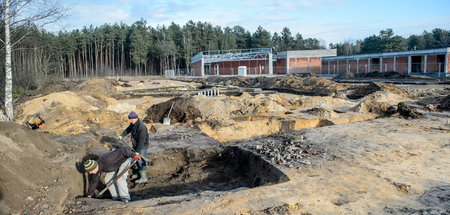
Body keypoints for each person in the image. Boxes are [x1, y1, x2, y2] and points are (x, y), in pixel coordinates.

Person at [117, 111, 149, 183]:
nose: (131, 121)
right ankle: (138, 173)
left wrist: (137, 151)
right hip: (136, 145)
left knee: (141, 160)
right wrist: (122, 135)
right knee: (136, 160)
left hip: (142, 146)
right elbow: (128, 129)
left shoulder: (141, 127)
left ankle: (143, 177)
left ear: (136, 118)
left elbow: (141, 141)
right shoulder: (133, 124)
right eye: (130, 119)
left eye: (132, 119)